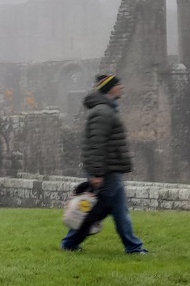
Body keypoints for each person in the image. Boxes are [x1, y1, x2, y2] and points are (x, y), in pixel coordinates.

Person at [62, 75, 149, 254]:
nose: (122, 88)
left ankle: (134, 247)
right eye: (118, 85)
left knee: (120, 212)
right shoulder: (102, 112)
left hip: (112, 170)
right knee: (93, 212)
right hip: (106, 172)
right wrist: (97, 173)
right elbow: (96, 144)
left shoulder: (107, 110)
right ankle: (69, 243)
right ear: (110, 88)